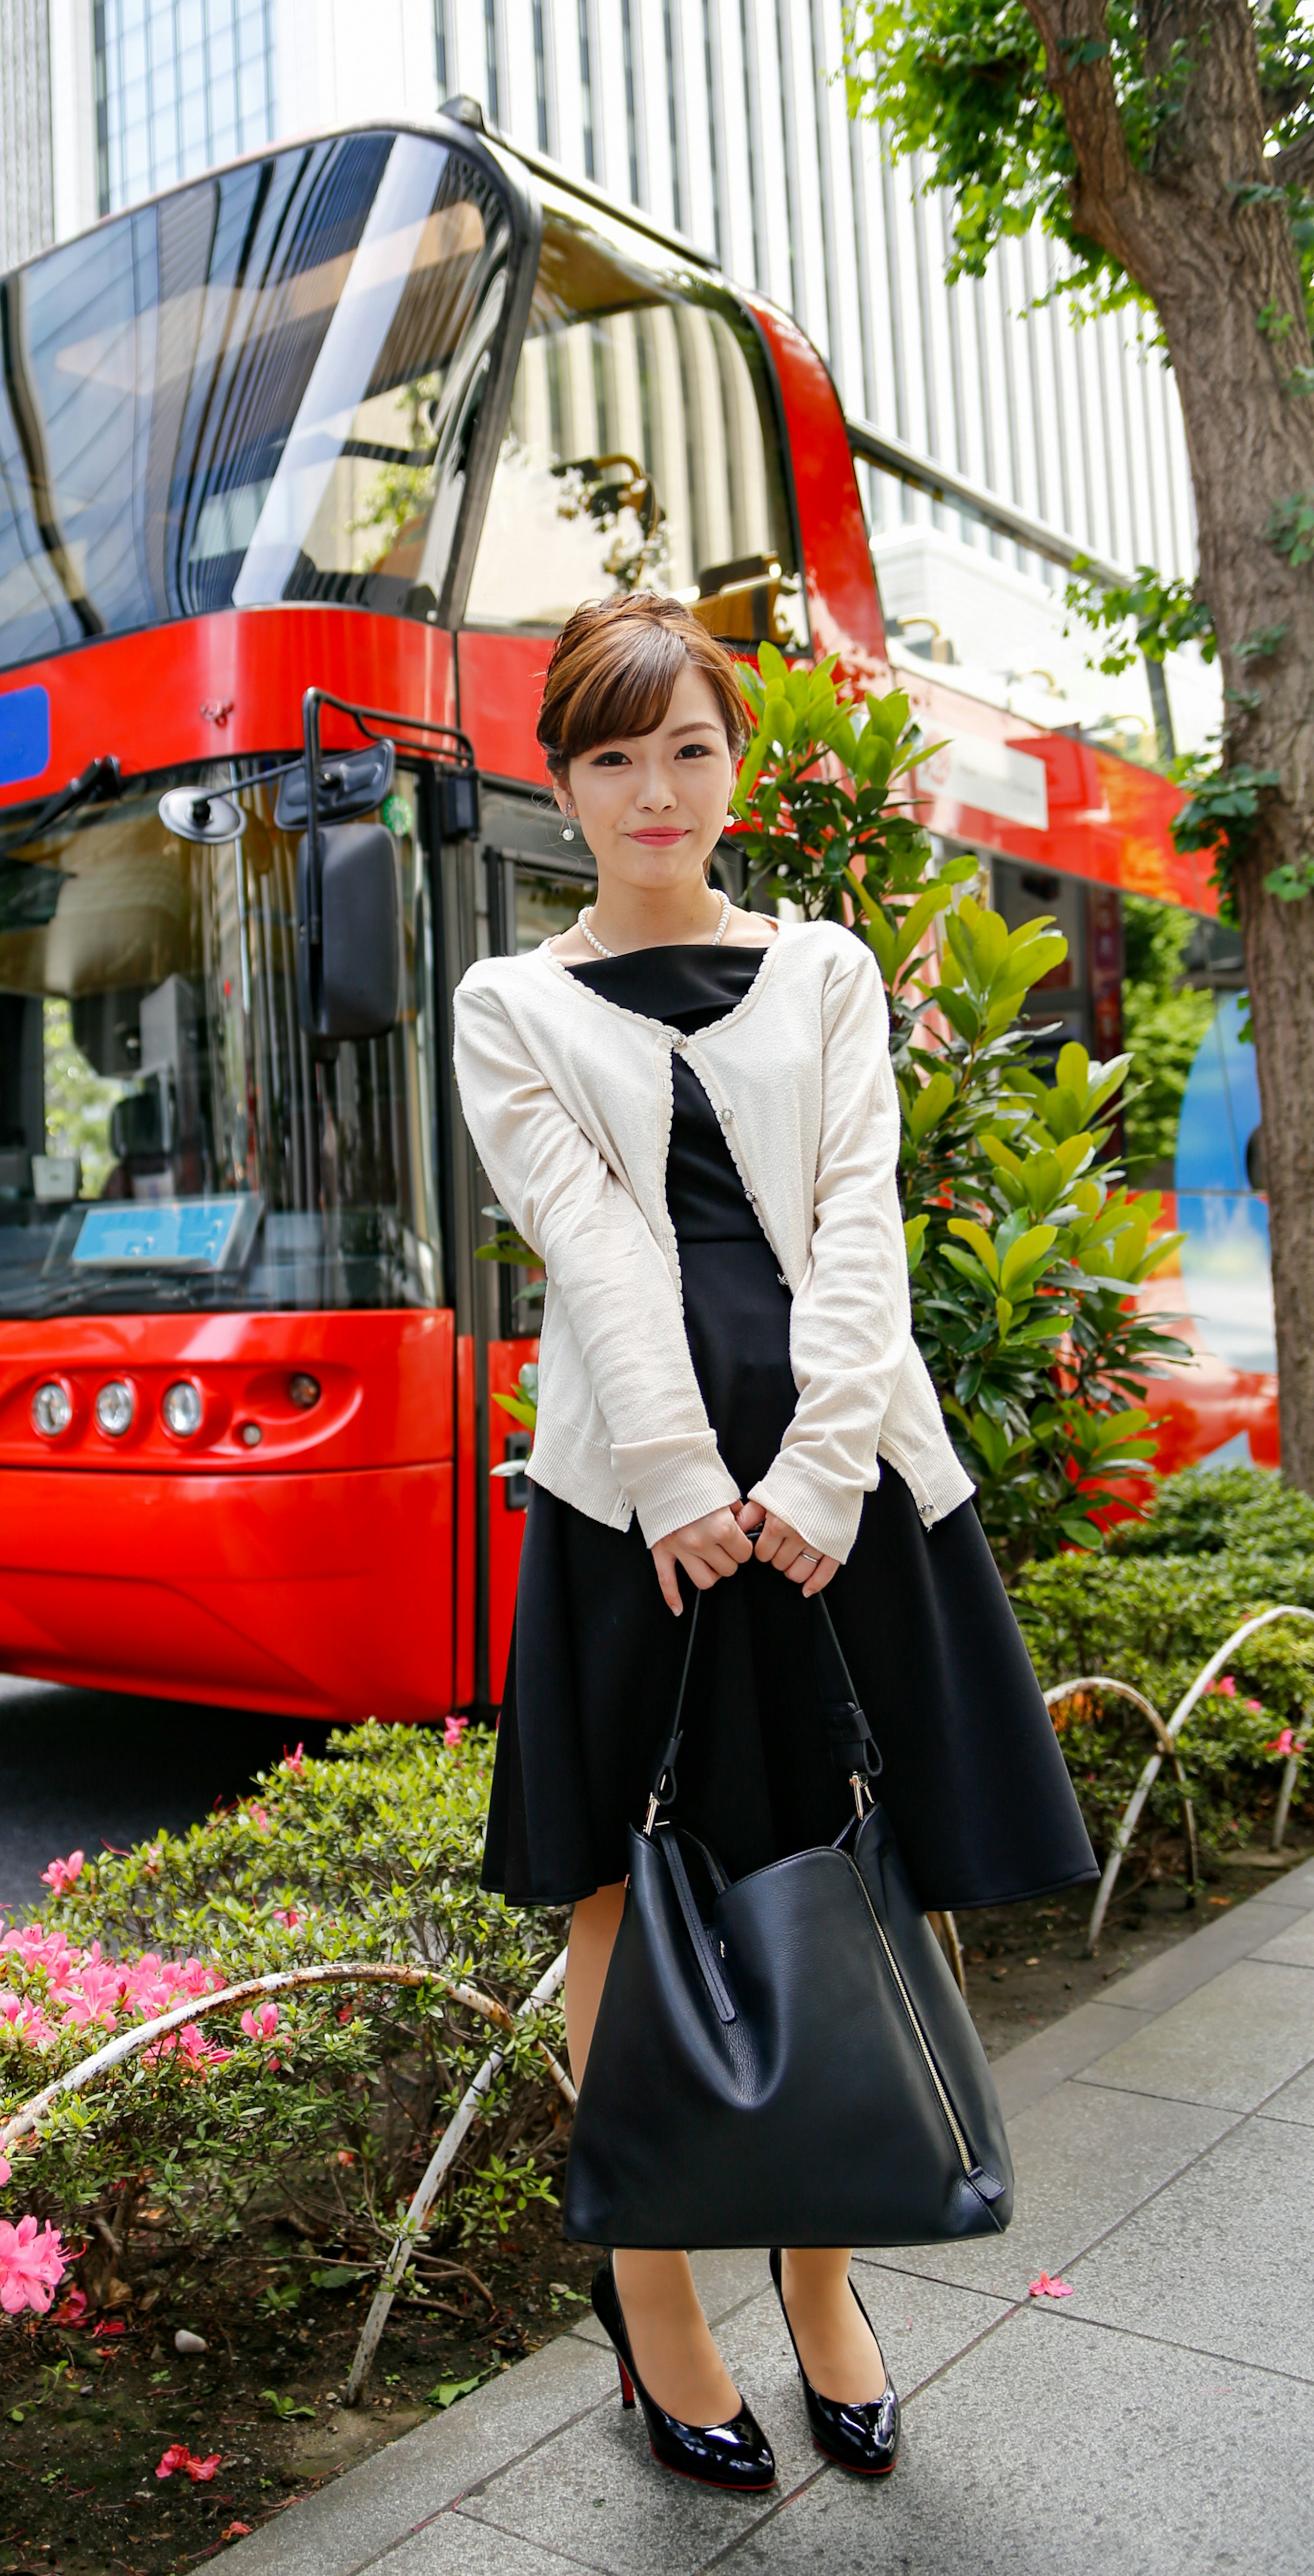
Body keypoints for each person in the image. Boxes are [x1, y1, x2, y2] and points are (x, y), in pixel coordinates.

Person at [452, 593, 1095, 2494]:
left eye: (690, 750)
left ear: (736, 766)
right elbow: (590, 1244)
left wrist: (816, 1483)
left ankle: (825, 2289)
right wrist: (673, 1472)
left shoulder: (821, 969)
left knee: (846, 1867)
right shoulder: (516, 1006)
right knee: (614, 1897)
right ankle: (659, 2318)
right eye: (612, 756)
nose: (656, 791)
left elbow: (862, 1221)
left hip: (845, 1489)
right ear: (561, 781)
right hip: (626, 1509)